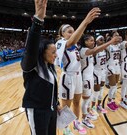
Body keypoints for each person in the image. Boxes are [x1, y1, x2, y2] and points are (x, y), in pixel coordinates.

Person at [55, 8, 101, 135]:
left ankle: (76, 123)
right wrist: (85, 21)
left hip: (78, 76)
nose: (72, 33)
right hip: (67, 77)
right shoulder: (61, 42)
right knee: (66, 106)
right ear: (62, 34)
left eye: (73, 31)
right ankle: (65, 129)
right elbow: (72, 41)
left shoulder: (77, 46)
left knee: (77, 102)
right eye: (69, 31)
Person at [21, 0, 58, 135]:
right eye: (53, 52)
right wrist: (38, 20)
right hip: (37, 111)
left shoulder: (50, 67)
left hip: (51, 109)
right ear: (42, 52)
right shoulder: (31, 65)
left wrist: (56, 104)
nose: (56, 55)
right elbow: (31, 48)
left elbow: (53, 89)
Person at [79, 34, 119, 128]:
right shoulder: (84, 50)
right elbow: (95, 50)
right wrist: (110, 41)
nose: (93, 42)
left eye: (93, 40)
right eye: (91, 40)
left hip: (92, 75)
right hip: (87, 76)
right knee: (86, 99)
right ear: (85, 42)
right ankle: (84, 118)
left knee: (89, 97)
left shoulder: (91, 50)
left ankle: (87, 112)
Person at [91, 35, 108, 114]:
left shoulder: (105, 50)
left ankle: (99, 105)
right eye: (101, 40)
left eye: (103, 40)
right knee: (96, 90)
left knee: (101, 89)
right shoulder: (94, 51)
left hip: (103, 71)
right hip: (96, 71)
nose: (103, 41)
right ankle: (93, 106)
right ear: (96, 41)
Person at [106, 31, 121, 111]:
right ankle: (109, 102)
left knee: (115, 86)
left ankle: (112, 101)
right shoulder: (108, 46)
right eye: (115, 35)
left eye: (118, 35)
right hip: (110, 66)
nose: (117, 36)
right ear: (112, 37)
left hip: (117, 66)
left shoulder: (119, 45)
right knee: (113, 86)